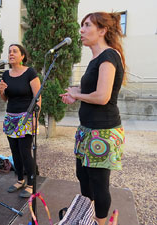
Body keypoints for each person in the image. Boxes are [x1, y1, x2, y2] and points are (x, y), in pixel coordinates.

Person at [60, 12, 126, 225]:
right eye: (82, 25)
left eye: (87, 25)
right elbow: (90, 89)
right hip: (87, 129)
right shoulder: (95, 59)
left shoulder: (109, 56)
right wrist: (74, 91)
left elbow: (102, 96)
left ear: (102, 30)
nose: (81, 30)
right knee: (83, 176)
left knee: (99, 182)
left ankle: (100, 221)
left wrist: (77, 95)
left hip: (103, 131)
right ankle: (87, 215)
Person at [0, 44, 41, 198]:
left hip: (26, 117)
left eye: (15, 51)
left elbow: (37, 97)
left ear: (22, 56)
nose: (11, 54)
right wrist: (1, 91)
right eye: (9, 51)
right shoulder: (6, 75)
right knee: (14, 150)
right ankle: (20, 179)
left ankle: (31, 183)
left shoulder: (30, 72)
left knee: (24, 151)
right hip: (11, 116)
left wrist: (35, 118)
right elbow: (5, 98)